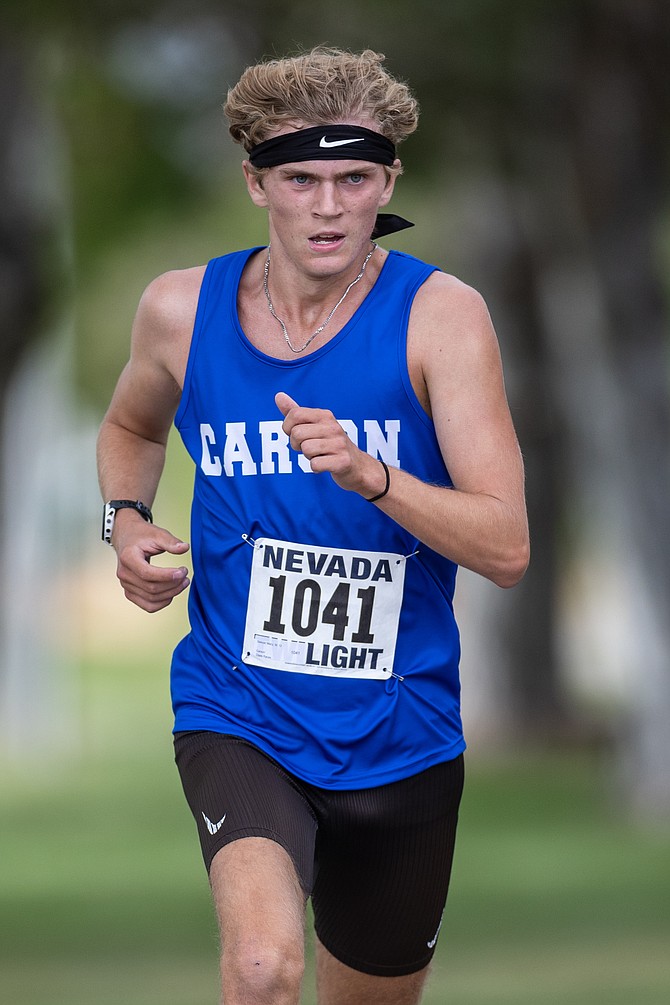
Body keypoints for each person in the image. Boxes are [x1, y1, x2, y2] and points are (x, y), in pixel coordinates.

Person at [97, 46, 529, 1005]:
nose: (329, 206)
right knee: (262, 969)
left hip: (401, 728)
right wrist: (125, 517)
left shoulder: (439, 318)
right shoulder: (180, 310)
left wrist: (375, 476)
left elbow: (506, 546)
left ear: (388, 181)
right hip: (237, 705)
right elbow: (131, 426)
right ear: (257, 183)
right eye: (301, 179)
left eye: (354, 178)